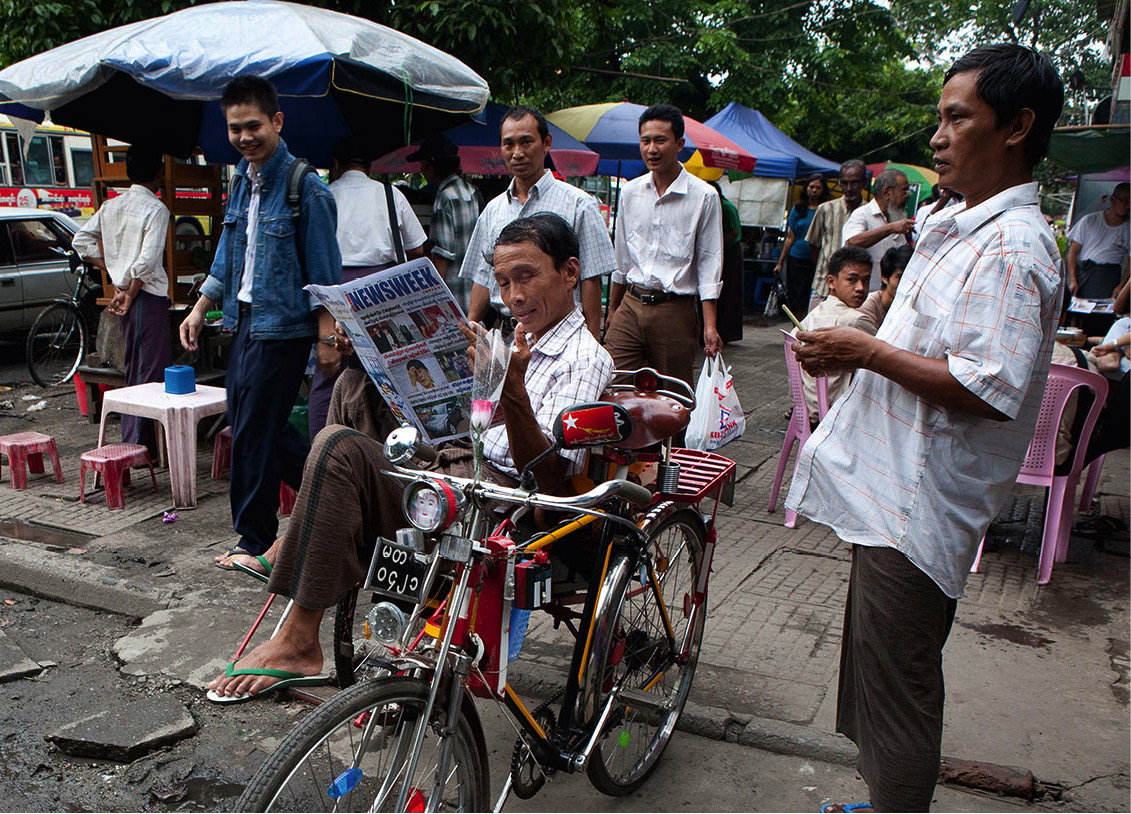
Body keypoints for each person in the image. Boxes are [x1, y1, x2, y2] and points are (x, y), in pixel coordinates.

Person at [786, 44, 1064, 812]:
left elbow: (987, 387)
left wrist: (864, 351)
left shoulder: (1012, 248)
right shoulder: (957, 222)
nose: (936, 137)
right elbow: (921, 344)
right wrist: (851, 343)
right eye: (937, 117)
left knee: (899, 693)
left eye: (955, 117)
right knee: (877, 684)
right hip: (887, 499)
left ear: (1016, 127)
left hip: (917, 510)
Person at [205, 213, 614, 702]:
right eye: (503, 282)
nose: (515, 296)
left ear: (570, 273)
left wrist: (513, 391)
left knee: (338, 446)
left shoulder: (585, 359)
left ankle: (298, 638)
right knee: (355, 383)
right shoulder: (511, 336)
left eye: (526, 277)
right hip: (452, 461)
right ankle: (302, 534)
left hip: (497, 509)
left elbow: (548, 477)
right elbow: (471, 417)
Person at [180, 76, 341, 569]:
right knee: (266, 430)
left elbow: (324, 273)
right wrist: (201, 305)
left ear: (277, 121)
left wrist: (327, 339)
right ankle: (336, 492)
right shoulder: (241, 182)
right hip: (244, 320)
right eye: (235, 129)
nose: (245, 137)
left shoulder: (305, 189)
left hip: (285, 328)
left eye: (253, 126)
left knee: (250, 430)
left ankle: (254, 542)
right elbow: (231, 254)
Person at [305, 138, 428, 440]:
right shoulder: (390, 194)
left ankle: (322, 449)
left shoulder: (324, 195)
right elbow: (418, 250)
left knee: (328, 376)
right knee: (387, 377)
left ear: (336, 165)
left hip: (330, 292)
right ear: (369, 167)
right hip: (379, 291)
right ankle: (385, 449)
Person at [460, 106, 615, 338]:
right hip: (505, 336)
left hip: (559, 336)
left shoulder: (579, 205)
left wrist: (591, 343)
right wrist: (471, 326)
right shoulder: (493, 210)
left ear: (546, 143)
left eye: (526, 142)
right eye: (508, 144)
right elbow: (484, 277)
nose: (517, 152)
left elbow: (590, 280)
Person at [605, 104, 723, 389]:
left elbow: (709, 261)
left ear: (679, 144)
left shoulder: (703, 196)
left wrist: (709, 325)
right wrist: (613, 309)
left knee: (673, 396)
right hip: (631, 305)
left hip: (675, 310)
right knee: (614, 382)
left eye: (660, 140)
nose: (652, 149)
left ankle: (673, 437)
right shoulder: (631, 192)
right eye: (645, 141)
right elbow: (621, 256)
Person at [72, 145, 171, 460]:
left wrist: (111, 268)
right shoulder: (156, 209)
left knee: (136, 369)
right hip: (146, 297)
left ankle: (141, 445)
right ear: (158, 173)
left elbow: (81, 243)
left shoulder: (111, 207)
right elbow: (147, 260)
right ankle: (141, 447)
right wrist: (129, 288)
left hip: (131, 294)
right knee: (149, 374)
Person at [793, 246, 876, 419]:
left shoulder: (815, 314)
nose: (861, 288)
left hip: (808, 409)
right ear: (831, 282)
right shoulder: (854, 320)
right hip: (837, 414)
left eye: (866, 281)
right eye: (852, 280)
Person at [409, 133, 481, 312]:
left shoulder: (444, 198)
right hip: (472, 295)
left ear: (432, 162)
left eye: (423, 163)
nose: (421, 169)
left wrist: (432, 299)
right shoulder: (470, 191)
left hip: (453, 297)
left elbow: (442, 255)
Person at [804, 160, 867, 310]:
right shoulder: (826, 209)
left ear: (863, 183)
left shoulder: (870, 212)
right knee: (813, 329)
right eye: (844, 183)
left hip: (855, 291)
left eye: (854, 183)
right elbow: (814, 245)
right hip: (823, 286)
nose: (849, 188)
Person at [842, 168, 914, 291]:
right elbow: (852, 242)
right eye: (904, 191)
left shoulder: (896, 217)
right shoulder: (862, 214)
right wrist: (891, 228)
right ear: (887, 193)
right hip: (864, 297)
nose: (908, 195)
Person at [775, 174, 831, 319]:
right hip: (796, 258)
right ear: (806, 189)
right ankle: (797, 327)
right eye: (811, 187)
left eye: (818, 187)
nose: (814, 190)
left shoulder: (826, 210)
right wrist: (780, 263)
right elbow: (790, 237)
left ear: (823, 190)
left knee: (812, 296)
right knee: (796, 297)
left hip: (818, 260)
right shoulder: (798, 210)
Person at [1065, 182, 1130, 299]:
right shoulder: (1089, 220)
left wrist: (1121, 286)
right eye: (1124, 201)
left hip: (1109, 276)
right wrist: (1073, 280)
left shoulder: (1128, 228)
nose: (1127, 206)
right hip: (1085, 272)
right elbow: (1072, 253)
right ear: (1113, 199)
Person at [709, 180, 745, 342]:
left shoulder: (727, 208)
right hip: (715, 251)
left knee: (728, 293)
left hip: (729, 253)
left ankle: (727, 332)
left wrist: (716, 244)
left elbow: (734, 232)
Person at [857, 244, 912, 331]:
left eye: (910, 278)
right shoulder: (868, 308)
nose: (906, 283)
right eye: (900, 277)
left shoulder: (912, 305)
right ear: (885, 278)